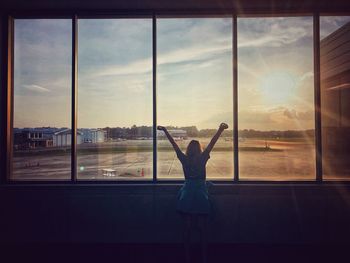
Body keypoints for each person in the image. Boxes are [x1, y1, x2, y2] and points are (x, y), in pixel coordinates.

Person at [157, 123, 229, 263]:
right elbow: (212, 142)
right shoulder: (202, 158)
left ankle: (187, 257)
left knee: (187, 230)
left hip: (187, 194)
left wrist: (165, 131)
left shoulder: (184, 159)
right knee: (202, 230)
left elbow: (174, 145)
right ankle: (204, 257)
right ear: (199, 149)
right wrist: (220, 129)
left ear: (189, 149)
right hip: (201, 194)